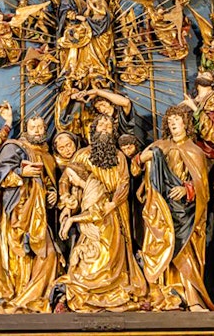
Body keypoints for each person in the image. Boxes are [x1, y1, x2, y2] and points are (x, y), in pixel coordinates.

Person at [58, 113, 148, 311]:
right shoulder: (82, 154)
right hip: (90, 210)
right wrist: (66, 199)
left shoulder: (119, 157)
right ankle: (90, 290)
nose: (105, 130)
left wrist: (113, 203)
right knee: (92, 252)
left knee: (114, 252)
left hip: (114, 210)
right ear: (94, 130)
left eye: (108, 128)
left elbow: (124, 182)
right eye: (102, 127)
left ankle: (115, 287)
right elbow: (66, 179)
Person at [138, 105, 214, 311]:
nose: (173, 123)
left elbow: (203, 185)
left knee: (184, 252)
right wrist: (142, 158)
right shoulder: (160, 145)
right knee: (162, 248)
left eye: (177, 119)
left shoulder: (194, 151)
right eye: (170, 120)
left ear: (186, 123)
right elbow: (135, 165)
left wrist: (186, 189)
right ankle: (164, 296)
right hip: (161, 208)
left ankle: (192, 299)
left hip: (185, 211)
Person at [0, 115, 60, 313]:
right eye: (33, 127)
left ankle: (33, 298)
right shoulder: (14, 147)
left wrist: (53, 194)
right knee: (17, 257)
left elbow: (49, 183)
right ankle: (15, 296)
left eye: (40, 127)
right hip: (15, 212)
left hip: (39, 213)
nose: (37, 130)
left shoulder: (48, 156)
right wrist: (20, 174)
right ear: (25, 130)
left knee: (48, 254)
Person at [181, 72, 214, 160]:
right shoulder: (193, 100)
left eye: (206, 75)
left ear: (213, 82)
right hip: (189, 144)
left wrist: (194, 109)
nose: (200, 74)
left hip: (207, 149)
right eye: (200, 74)